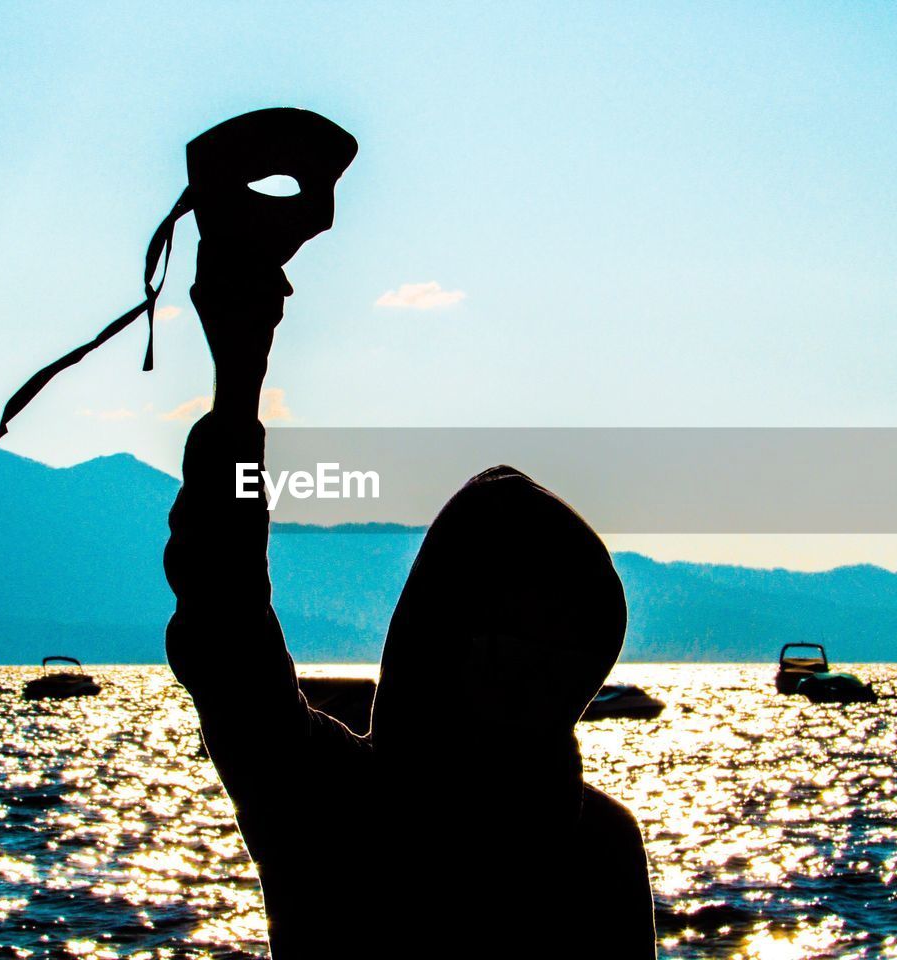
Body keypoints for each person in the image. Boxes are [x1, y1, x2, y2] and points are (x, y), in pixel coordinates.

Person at [164, 247, 655, 958]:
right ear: (446, 639)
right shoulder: (327, 805)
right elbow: (223, 617)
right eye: (504, 641)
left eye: (560, 660)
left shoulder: (603, 848)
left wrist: (241, 369)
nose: (526, 679)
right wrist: (239, 378)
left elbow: (223, 624)